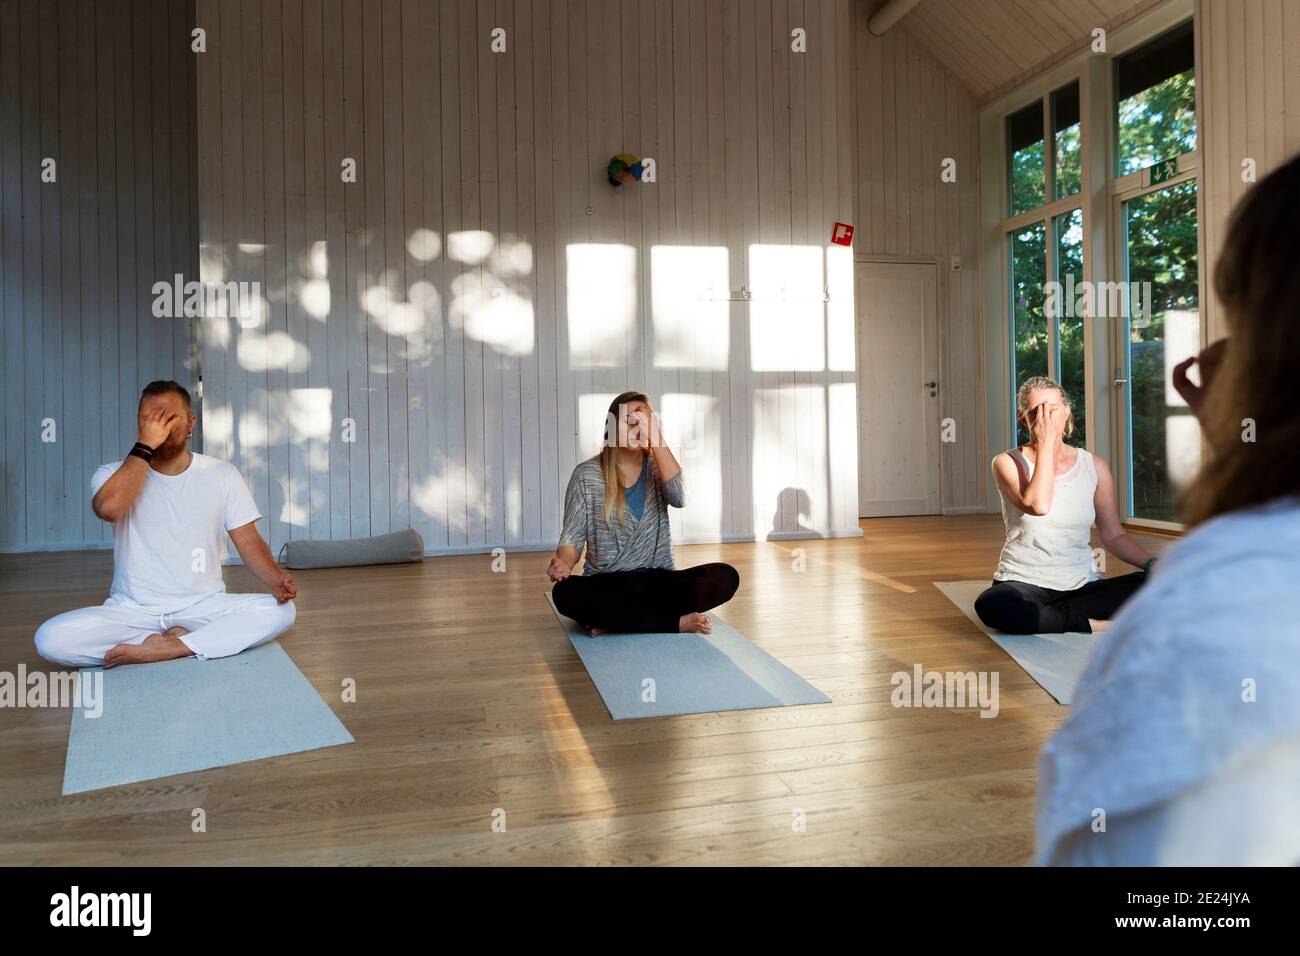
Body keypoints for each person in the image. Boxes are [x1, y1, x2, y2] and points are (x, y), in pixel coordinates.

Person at [1037, 153, 1300, 865]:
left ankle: (1084, 612)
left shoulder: (1210, 608)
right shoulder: (1014, 460)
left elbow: (1117, 534)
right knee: (1008, 606)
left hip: (1089, 587)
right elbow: (1032, 505)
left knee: (1138, 582)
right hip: (1031, 587)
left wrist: (1239, 462)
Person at [34, 380, 298, 668]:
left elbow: (248, 541)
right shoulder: (111, 474)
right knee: (50, 639)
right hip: (132, 611)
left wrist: (276, 578)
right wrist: (145, 446)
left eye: (169, 417)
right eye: (149, 419)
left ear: (190, 423)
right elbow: (109, 509)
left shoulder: (222, 474)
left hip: (202, 606)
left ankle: (172, 646)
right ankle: (187, 640)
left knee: (281, 612)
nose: (159, 426)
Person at [974, 376, 1156, 635]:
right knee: (993, 606)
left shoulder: (1095, 466)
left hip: (1082, 585)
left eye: (1053, 409)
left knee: (1162, 585)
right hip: (1024, 583)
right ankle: (1095, 624)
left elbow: (1114, 535)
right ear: (1023, 419)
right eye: (1037, 411)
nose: (1046, 417)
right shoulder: (1006, 463)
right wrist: (1046, 443)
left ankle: (1057, 618)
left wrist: (1152, 564)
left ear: (1067, 412)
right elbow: (1038, 505)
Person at [548, 391, 739, 635]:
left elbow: (680, 498)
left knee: (725, 576)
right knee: (565, 594)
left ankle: (614, 622)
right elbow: (572, 539)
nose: (638, 426)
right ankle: (673, 623)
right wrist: (564, 562)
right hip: (608, 583)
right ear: (611, 426)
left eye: (645, 420)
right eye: (630, 420)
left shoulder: (659, 468)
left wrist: (657, 439)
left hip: (657, 582)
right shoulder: (586, 475)